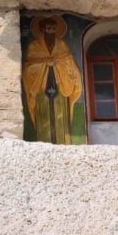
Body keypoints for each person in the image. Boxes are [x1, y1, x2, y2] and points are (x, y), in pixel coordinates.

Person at [22, 16, 82, 144]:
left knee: (61, 115)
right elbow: (29, 68)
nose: (52, 32)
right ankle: (43, 143)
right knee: (44, 115)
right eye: (49, 29)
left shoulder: (62, 44)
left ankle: (64, 142)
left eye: (54, 29)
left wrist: (57, 64)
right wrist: (44, 64)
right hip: (40, 87)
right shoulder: (34, 46)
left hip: (61, 87)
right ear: (42, 30)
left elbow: (69, 62)